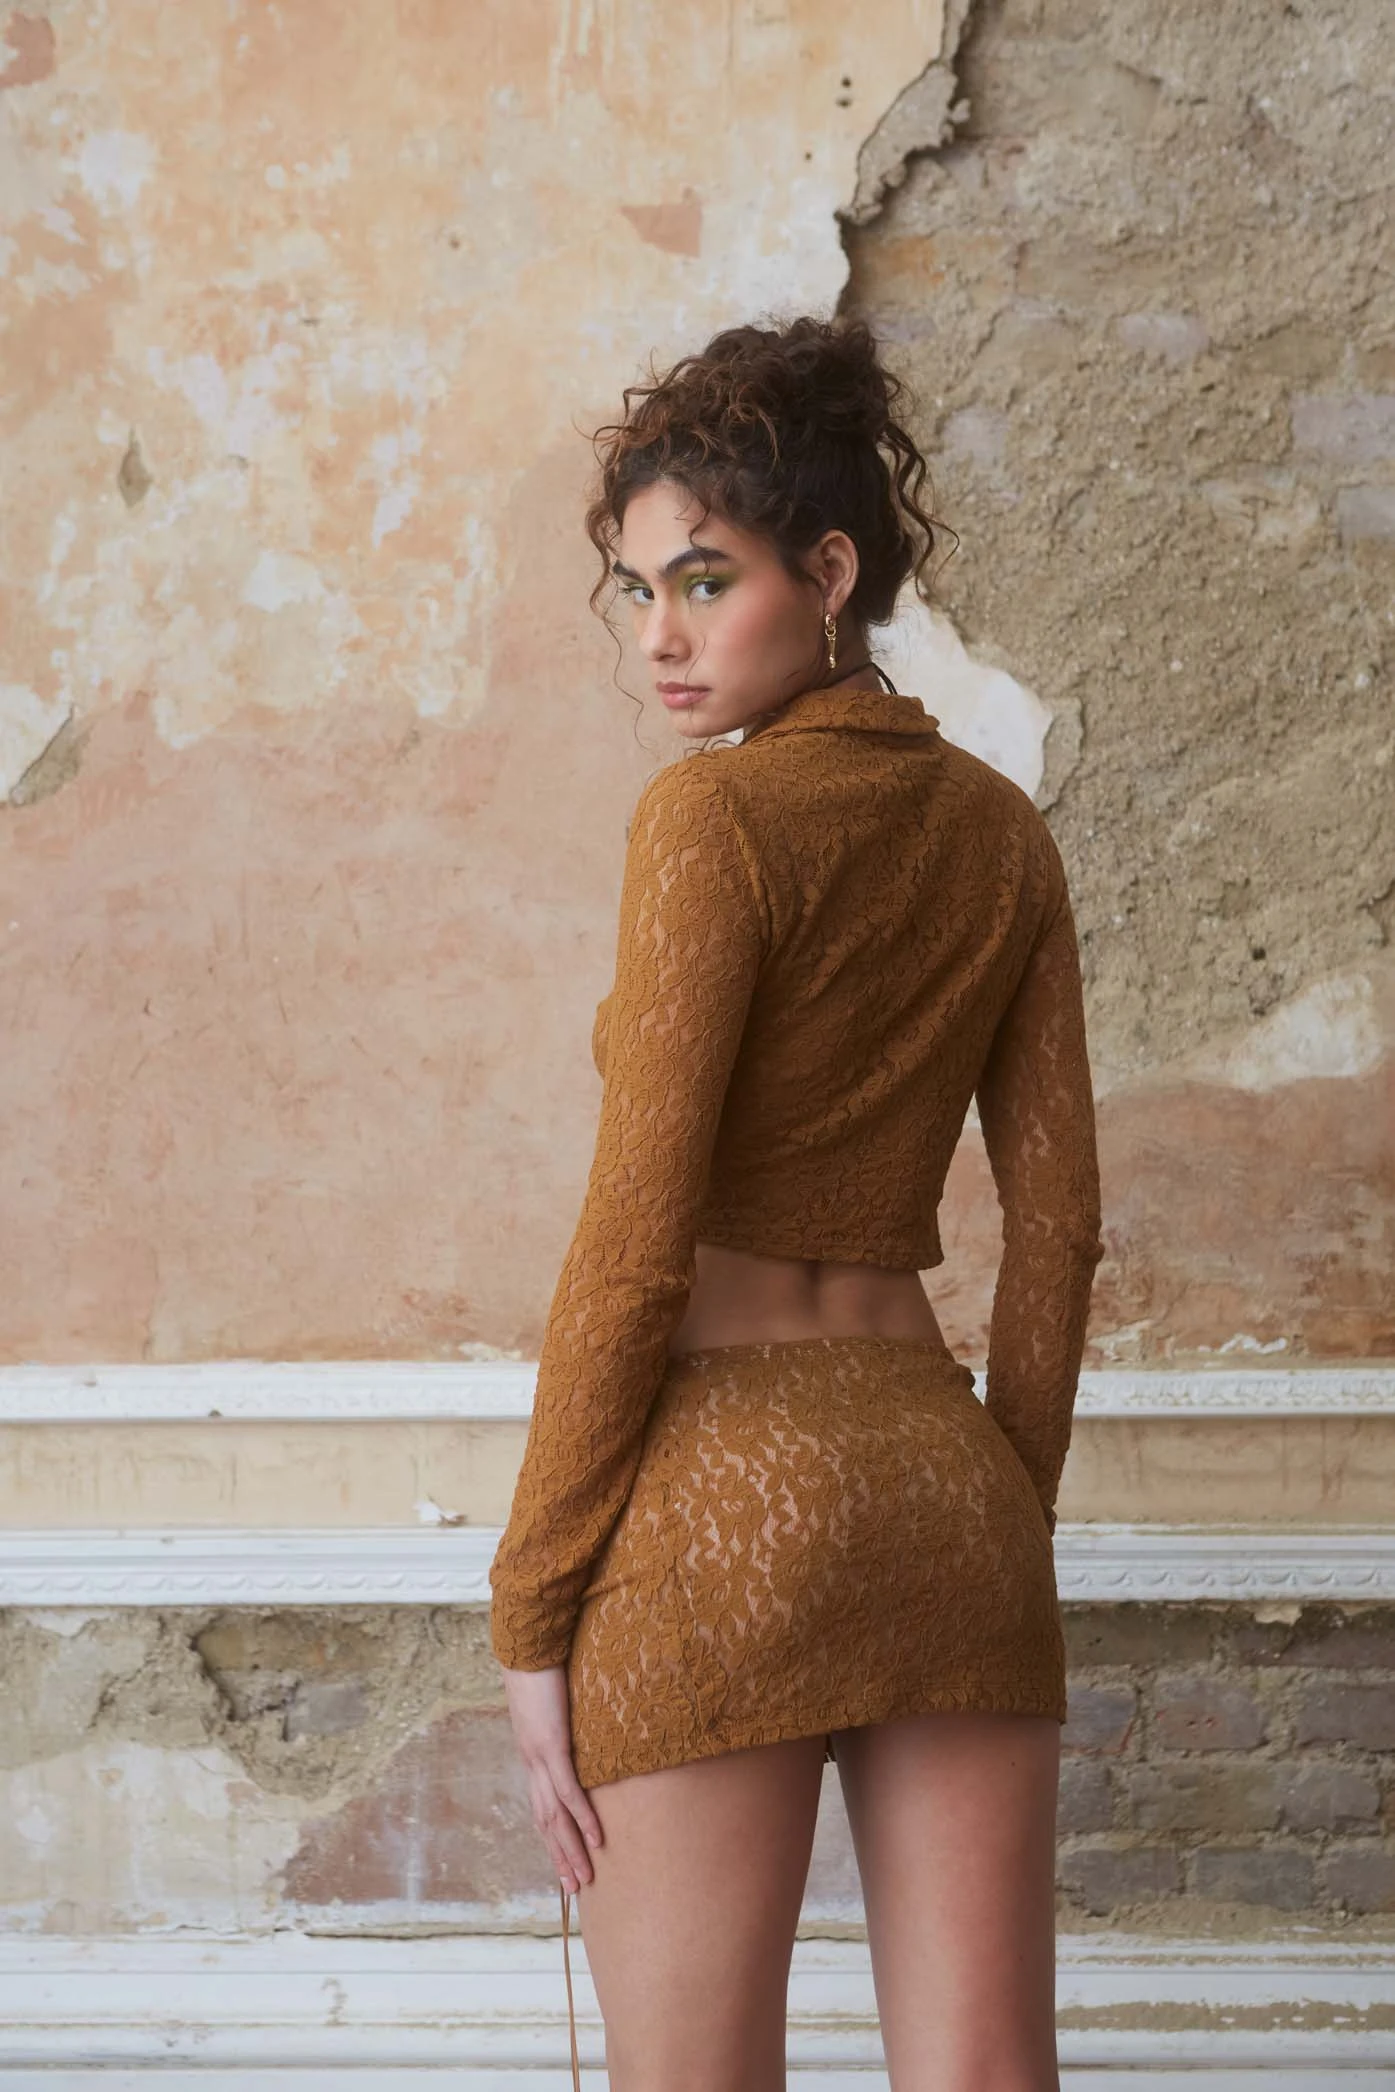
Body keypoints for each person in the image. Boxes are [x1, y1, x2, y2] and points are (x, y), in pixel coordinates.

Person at [488, 313, 1105, 2092]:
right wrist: (998, 1510)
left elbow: (633, 1247)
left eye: (706, 582)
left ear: (828, 574)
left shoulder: (713, 824)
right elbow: (1058, 1231)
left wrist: (533, 1609)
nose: (660, 639)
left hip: (712, 1504)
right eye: (637, 592)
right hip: (942, 1482)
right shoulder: (1002, 833)